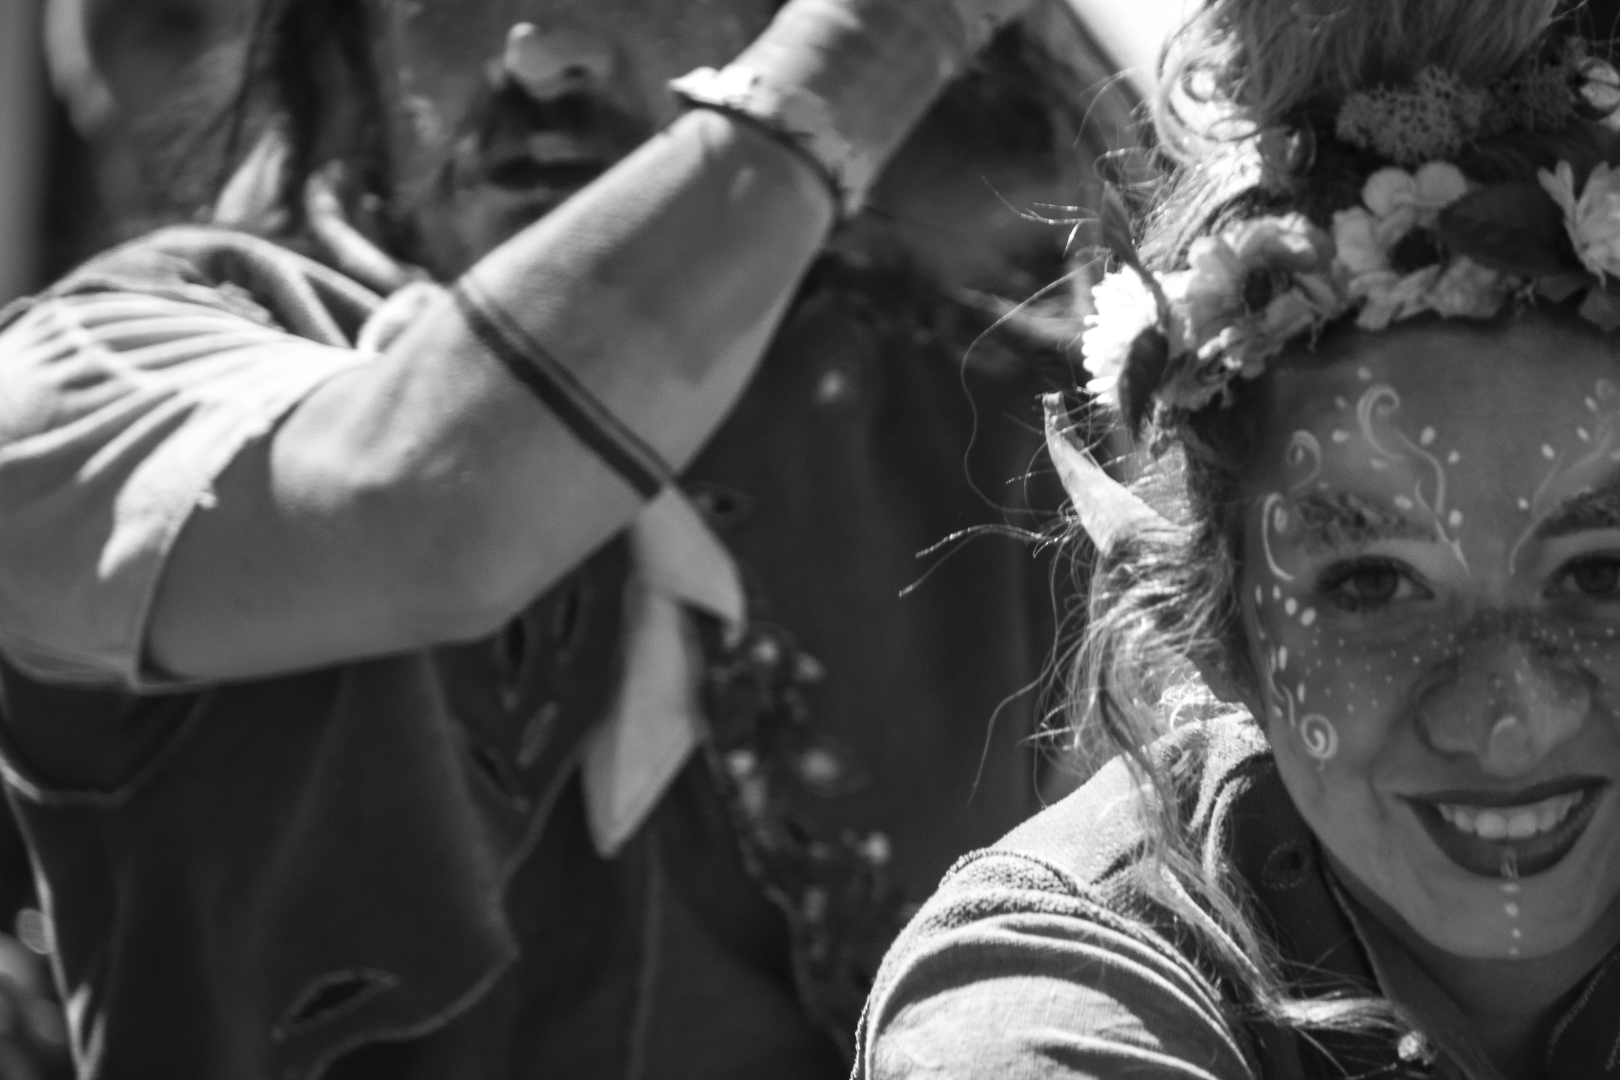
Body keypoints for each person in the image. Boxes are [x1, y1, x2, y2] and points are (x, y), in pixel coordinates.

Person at [0, 0, 1135, 1075]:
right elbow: (427, 507)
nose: (544, 50)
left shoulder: (1003, 427)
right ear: (344, 35)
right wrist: (888, 35)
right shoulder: (93, 371)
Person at [856, 1, 1620, 1078]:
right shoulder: (1043, 998)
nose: (1509, 725)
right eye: (1372, 585)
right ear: (1215, 625)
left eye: (1600, 574)